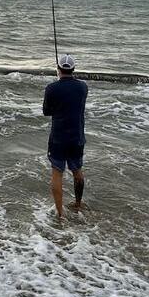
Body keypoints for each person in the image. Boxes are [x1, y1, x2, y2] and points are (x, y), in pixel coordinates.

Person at [42, 53, 88, 219]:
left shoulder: (51, 88)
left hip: (58, 138)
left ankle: (60, 213)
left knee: (57, 173)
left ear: (59, 68)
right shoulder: (83, 87)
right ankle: (78, 203)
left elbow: (46, 112)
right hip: (77, 137)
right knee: (77, 171)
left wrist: (58, 82)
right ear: (73, 69)